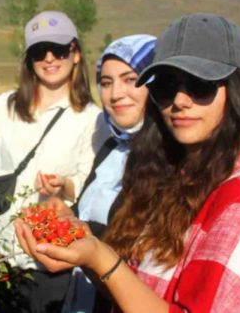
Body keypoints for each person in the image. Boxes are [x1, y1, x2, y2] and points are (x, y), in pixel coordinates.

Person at [16, 13, 240, 313]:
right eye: (166, 86)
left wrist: (99, 257)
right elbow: (135, 295)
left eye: (199, 84)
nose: (180, 101)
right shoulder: (178, 175)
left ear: (238, 91)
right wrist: (85, 248)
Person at [0, 11, 105, 312]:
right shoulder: (7, 105)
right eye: (38, 51)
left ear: (75, 54)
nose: (49, 58)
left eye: (58, 49)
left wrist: (64, 186)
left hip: (49, 263)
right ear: (29, 60)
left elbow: (90, 181)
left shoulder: (90, 119)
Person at [63, 34, 156, 312]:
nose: (115, 94)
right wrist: (65, 216)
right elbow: (88, 219)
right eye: (106, 82)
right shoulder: (110, 149)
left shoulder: (170, 163)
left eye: (130, 79)